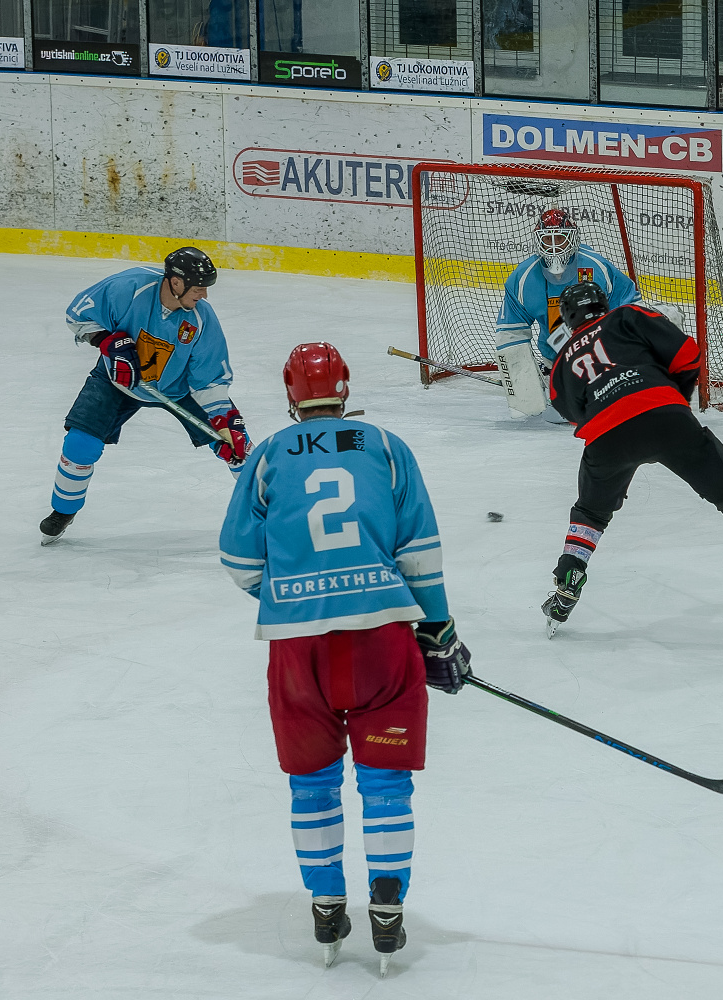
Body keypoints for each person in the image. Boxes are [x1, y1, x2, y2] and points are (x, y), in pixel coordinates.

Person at [218, 342, 471, 975]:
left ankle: (327, 906)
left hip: (296, 647)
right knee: (384, 782)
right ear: (345, 387)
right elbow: (420, 550)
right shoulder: (385, 447)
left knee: (312, 782)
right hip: (381, 636)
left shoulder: (267, 456)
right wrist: (437, 629)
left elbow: (239, 561)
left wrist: (291, 595)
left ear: (290, 393)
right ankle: (387, 910)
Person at [541, 282, 723, 636]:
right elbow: (688, 354)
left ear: (568, 317)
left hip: (607, 439)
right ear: (602, 303)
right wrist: (674, 401)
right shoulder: (627, 316)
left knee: (590, 515)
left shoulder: (563, 359)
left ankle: (567, 583)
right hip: (667, 417)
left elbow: (571, 414)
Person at [40, 247, 250, 544]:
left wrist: (224, 419)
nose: (204, 295)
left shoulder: (202, 320)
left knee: (237, 444)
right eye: (199, 288)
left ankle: (273, 511)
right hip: (118, 380)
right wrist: (106, 340)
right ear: (176, 282)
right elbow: (77, 314)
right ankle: (63, 511)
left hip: (179, 387)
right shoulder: (129, 287)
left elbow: (209, 379)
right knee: (80, 443)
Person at [494, 208, 642, 420]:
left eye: (560, 238)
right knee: (558, 415)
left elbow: (631, 309)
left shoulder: (597, 267)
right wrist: (522, 381)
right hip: (554, 364)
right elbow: (511, 332)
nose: (554, 246)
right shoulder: (523, 278)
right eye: (548, 239)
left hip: (601, 360)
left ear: (572, 239)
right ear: (538, 241)